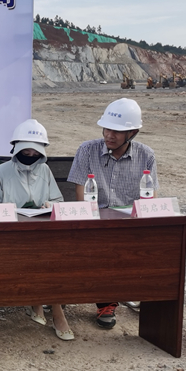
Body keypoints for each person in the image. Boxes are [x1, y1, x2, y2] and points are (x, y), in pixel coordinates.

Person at [67, 98, 158, 329]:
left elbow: (150, 198)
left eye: (116, 131)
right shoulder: (87, 150)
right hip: (95, 222)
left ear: (132, 133)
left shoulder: (146, 155)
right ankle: (105, 301)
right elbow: (81, 195)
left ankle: (145, 296)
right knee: (101, 246)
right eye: (106, 129)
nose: (109, 135)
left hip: (129, 225)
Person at [0, 119, 73, 341]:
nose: (31, 156)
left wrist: (49, 205)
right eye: (26, 152)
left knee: (53, 254)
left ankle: (52, 308)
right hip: (9, 237)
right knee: (42, 256)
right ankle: (46, 307)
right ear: (16, 149)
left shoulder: (45, 170)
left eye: (35, 153)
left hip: (41, 233)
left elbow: (58, 201)